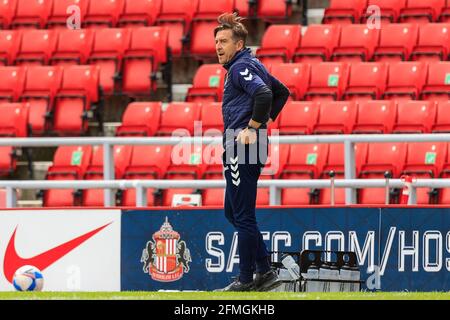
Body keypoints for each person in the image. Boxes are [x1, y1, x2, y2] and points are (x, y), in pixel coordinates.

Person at [214, 12, 290, 291]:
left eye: (224, 41)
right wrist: (266, 122)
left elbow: (265, 94)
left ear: (239, 43)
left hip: (241, 144)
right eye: (216, 42)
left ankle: (246, 279)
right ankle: (265, 271)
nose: (218, 47)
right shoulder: (253, 64)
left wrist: (253, 126)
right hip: (247, 144)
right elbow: (282, 92)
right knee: (232, 212)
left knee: (242, 215)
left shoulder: (240, 68)